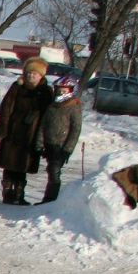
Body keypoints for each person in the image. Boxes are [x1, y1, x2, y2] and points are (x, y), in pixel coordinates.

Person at [0, 56, 53, 205]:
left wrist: (43, 136)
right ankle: (7, 193)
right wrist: (2, 128)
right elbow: (5, 108)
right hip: (13, 131)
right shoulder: (17, 87)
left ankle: (19, 194)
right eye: (29, 73)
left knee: (22, 167)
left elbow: (48, 115)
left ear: (41, 75)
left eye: (35, 73)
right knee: (9, 165)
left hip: (31, 135)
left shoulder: (45, 91)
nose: (31, 76)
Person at [33, 74, 82, 204]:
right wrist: (39, 144)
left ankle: (50, 199)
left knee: (54, 171)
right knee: (50, 170)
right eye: (59, 90)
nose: (60, 92)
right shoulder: (52, 105)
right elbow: (43, 125)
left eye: (64, 90)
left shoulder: (74, 107)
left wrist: (67, 149)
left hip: (61, 145)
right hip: (49, 143)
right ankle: (48, 198)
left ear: (71, 91)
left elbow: (75, 130)